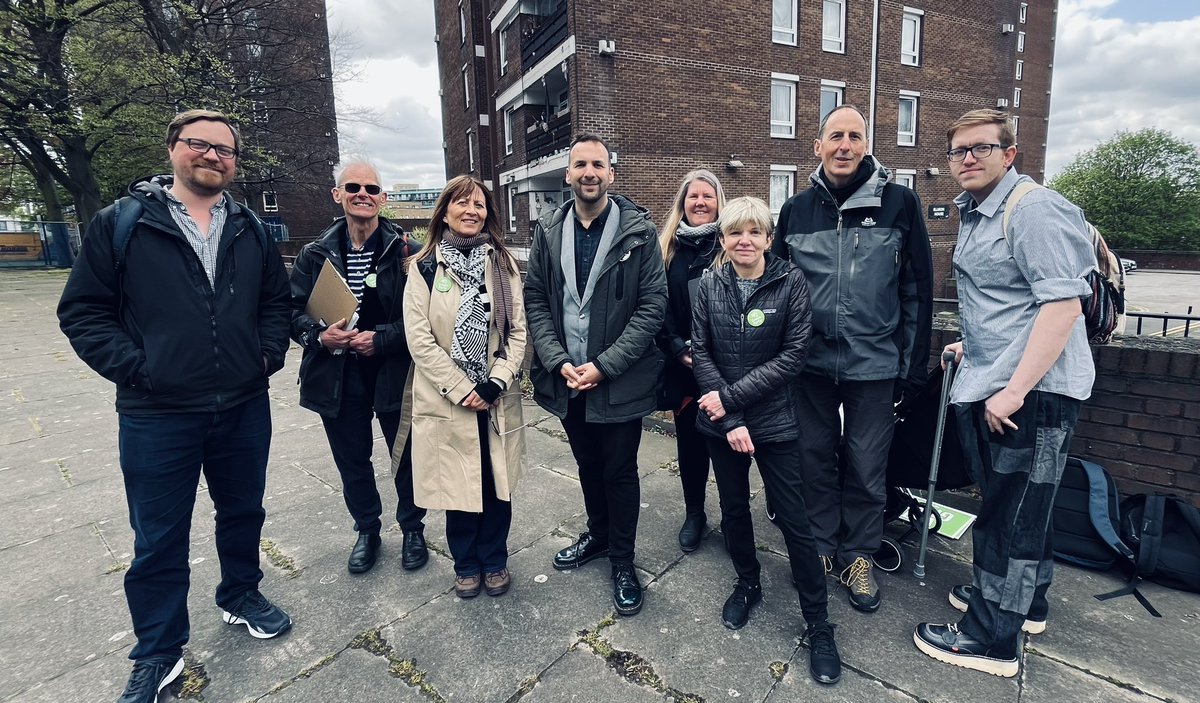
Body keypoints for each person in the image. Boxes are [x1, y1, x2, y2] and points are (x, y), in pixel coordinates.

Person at [57, 109, 292, 703]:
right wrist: (141, 370)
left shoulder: (251, 229)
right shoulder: (124, 223)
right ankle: (159, 651)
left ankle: (240, 594)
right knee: (158, 536)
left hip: (243, 404)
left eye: (224, 150)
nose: (212, 156)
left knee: (243, 512)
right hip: (157, 413)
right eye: (199, 145)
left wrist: (264, 356)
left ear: (235, 162)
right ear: (173, 150)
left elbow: (274, 304)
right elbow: (83, 312)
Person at [913, 109, 1095, 677]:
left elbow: (1063, 306)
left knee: (1008, 515)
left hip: (1031, 395)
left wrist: (1014, 390)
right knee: (1019, 507)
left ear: (1009, 153)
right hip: (1002, 380)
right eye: (958, 150)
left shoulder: (1033, 209)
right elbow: (1010, 300)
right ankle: (1023, 603)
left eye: (981, 148)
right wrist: (974, 343)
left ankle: (991, 638)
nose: (968, 158)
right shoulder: (978, 211)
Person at [772, 105, 933, 613]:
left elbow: (917, 290)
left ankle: (858, 554)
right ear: (816, 147)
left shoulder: (901, 204)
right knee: (812, 458)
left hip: (875, 363)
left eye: (854, 136)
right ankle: (820, 547)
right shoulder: (796, 211)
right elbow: (778, 288)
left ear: (866, 145)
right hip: (809, 365)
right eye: (834, 136)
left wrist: (911, 365)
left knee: (867, 464)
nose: (844, 145)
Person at [691, 196, 841, 684]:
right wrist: (730, 418)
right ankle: (748, 582)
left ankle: (818, 623)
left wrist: (731, 401)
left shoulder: (790, 281)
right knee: (734, 510)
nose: (745, 241)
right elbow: (702, 350)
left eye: (755, 232)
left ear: (769, 238)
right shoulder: (708, 285)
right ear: (723, 239)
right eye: (735, 233)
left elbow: (793, 356)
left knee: (795, 521)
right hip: (723, 424)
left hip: (774, 422)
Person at [524, 133, 667, 616]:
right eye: (580, 164)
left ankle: (623, 562)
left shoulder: (639, 233)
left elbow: (653, 307)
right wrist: (554, 358)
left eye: (597, 164)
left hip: (618, 379)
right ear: (568, 174)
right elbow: (536, 300)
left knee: (620, 471)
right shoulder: (547, 230)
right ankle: (600, 536)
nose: (589, 172)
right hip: (567, 379)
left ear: (611, 173)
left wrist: (605, 366)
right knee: (587, 465)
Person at [289, 159, 427, 576]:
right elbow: (290, 312)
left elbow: (425, 320)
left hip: (390, 370)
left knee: (404, 455)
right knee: (352, 459)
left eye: (371, 188)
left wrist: (381, 338)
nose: (362, 194)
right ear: (338, 195)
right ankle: (367, 530)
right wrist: (318, 336)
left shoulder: (407, 252)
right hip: (336, 375)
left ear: (383, 199)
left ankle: (413, 529)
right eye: (353, 187)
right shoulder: (314, 254)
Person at [402, 175, 527, 599]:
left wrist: (494, 382)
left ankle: (495, 561)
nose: (472, 211)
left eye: (479, 204)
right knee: (458, 487)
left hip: (494, 397)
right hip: (446, 398)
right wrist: (461, 387)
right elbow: (419, 339)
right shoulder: (422, 267)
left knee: (496, 485)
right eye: (462, 203)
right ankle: (466, 564)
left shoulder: (503, 265)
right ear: (445, 210)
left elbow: (518, 333)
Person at [656, 169, 726, 552]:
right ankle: (695, 513)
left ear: (719, 202)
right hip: (684, 368)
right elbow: (658, 305)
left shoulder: (729, 243)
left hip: (728, 368)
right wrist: (678, 346)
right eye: (693, 196)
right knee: (691, 446)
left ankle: (734, 517)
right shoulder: (667, 248)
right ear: (682, 204)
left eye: (708, 196)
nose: (700, 202)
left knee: (731, 447)